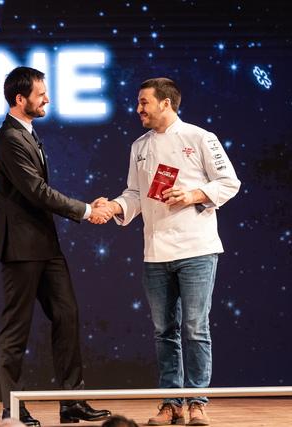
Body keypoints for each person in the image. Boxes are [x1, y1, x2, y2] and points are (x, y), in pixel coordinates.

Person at [97, 78, 241, 426]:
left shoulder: (200, 138)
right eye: (138, 103)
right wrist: (114, 206)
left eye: (144, 102)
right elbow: (135, 194)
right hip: (156, 252)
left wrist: (192, 195)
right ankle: (170, 403)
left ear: (166, 103)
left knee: (195, 328)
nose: (138, 109)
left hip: (196, 248)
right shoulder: (139, 146)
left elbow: (229, 182)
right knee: (164, 331)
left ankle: (198, 403)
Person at [0, 66, 112, 426]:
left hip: (47, 246)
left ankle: (72, 402)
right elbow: (37, 192)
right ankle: (13, 408)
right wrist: (86, 210)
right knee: (16, 330)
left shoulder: (28, 134)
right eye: (41, 94)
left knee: (66, 316)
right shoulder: (9, 139)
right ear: (20, 99)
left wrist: (87, 209)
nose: (47, 99)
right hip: (21, 249)